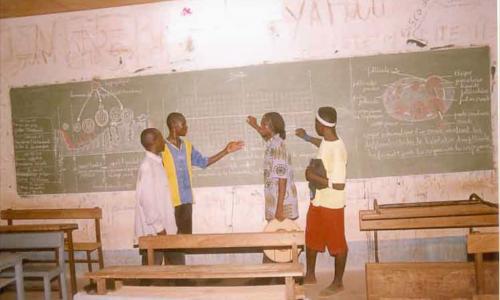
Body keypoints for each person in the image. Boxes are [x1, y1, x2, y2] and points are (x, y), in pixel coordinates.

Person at [163, 112, 244, 264]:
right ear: (174, 126)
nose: (186, 127)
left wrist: (226, 150)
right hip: (169, 202)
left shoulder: (187, 146)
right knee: (169, 241)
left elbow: (204, 162)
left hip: (186, 201)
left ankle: (180, 276)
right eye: (183, 124)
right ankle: (175, 277)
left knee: (183, 242)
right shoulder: (161, 148)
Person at [295, 106, 348, 297]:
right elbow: (323, 145)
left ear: (322, 124)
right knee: (312, 236)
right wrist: (307, 137)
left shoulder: (339, 149)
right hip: (318, 200)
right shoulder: (328, 140)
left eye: (316, 122)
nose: (314, 125)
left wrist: (311, 176)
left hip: (332, 204)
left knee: (337, 243)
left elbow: (339, 185)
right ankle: (310, 275)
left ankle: (338, 282)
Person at [134, 128, 177, 266]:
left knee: (157, 271)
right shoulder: (147, 166)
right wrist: (160, 228)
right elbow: (147, 201)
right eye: (160, 137)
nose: (163, 140)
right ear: (154, 141)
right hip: (155, 231)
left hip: (160, 230)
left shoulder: (156, 163)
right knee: (151, 272)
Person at [247, 112, 298, 223]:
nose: (261, 126)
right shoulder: (273, 142)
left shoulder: (278, 146)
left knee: (283, 238)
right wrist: (255, 126)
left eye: (264, 124)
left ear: (273, 127)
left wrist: (279, 208)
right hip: (275, 201)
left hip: (283, 204)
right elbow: (265, 135)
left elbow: (282, 179)